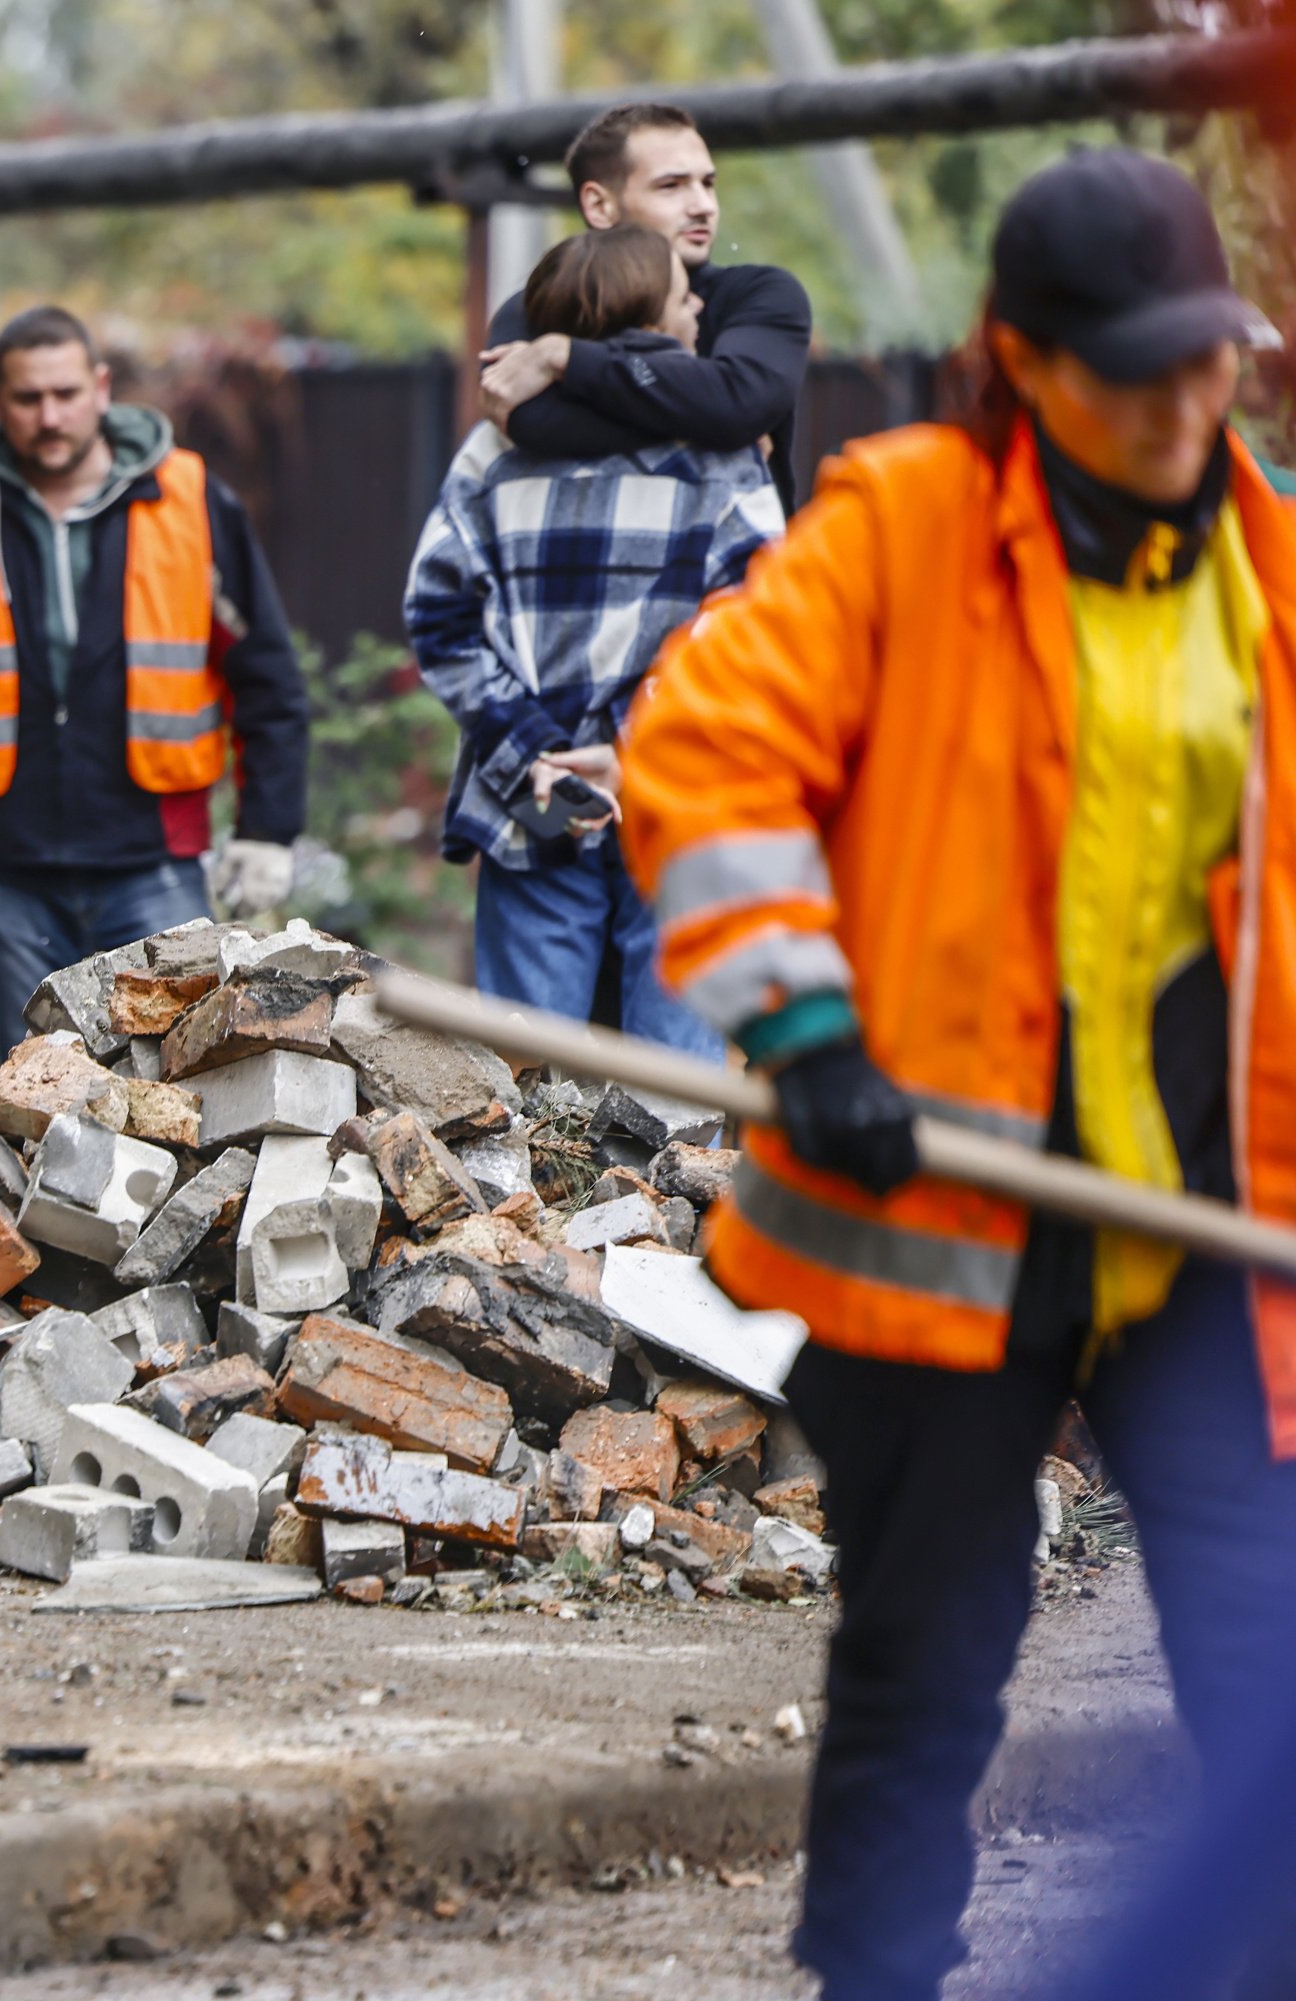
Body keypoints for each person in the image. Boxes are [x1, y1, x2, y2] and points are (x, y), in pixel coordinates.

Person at [618, 150, 1295, 2001]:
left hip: (1211, 1225)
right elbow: (705, 752)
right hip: (941, 1225)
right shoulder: (903, 528)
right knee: (928, 1665)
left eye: (1207, 362)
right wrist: (804, 1023)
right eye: (1128, 368)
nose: (1177, 406)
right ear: (1022, 360)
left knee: (1267, 1659)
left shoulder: (1272, 569)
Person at [0, 305, 311, 1046]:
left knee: (172, 1094)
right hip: (12, 868)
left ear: (101, 388)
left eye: (66, 394)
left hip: (155, 860)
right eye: (27, 398)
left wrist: (268, 827)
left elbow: (265, 672)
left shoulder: (192, 502)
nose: (50, 416)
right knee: (40, 1098)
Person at [406, 227, 780, 1059]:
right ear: (651, 317)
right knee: (679, 1103)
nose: (699, 308)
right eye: (685, 295)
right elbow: (752, 626)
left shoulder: (491, 453)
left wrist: (535, 751)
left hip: (534, 803)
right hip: (679, 801)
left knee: (522, 1099)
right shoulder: (723, 459)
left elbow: (438, 618)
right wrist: (638, 744)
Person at [480, 102, 813, 512]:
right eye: (671, 186)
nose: (703, 205)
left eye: (707, 183)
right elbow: (531, 420)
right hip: (574, 562)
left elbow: (740, 402)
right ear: (600, 206)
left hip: (736, 570)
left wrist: (566, 358)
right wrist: (715, 428)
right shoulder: (539, 308)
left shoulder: (758, 294)